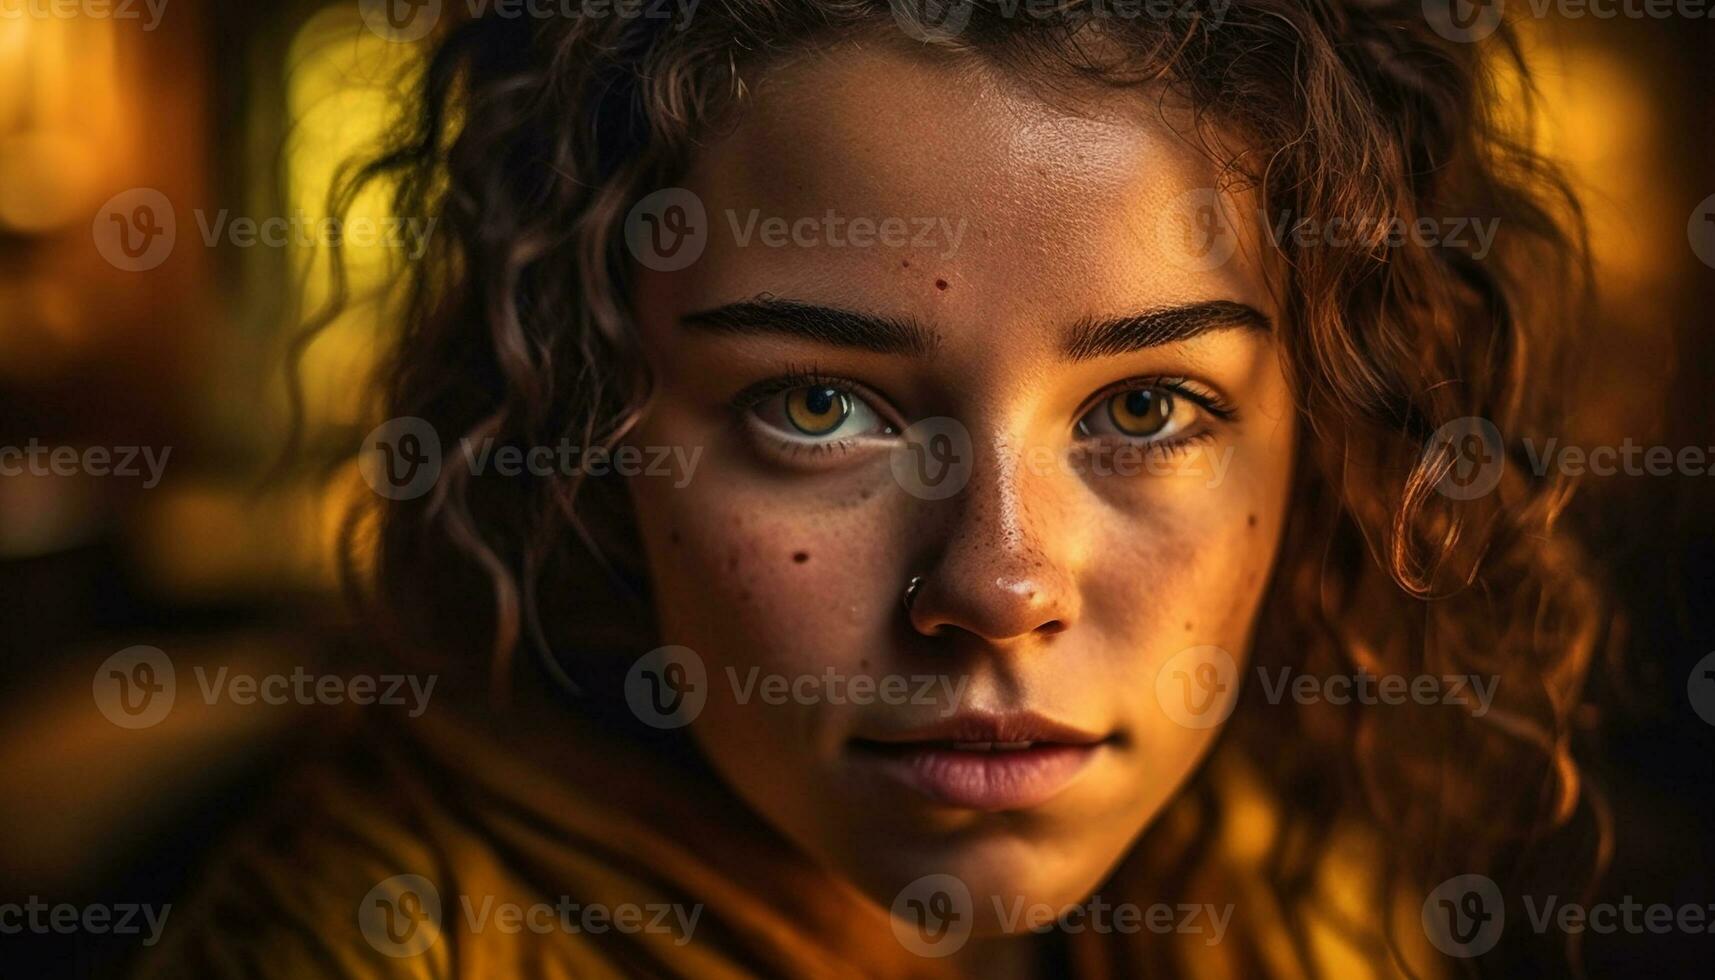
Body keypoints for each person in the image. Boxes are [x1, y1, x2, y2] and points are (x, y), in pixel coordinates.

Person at [139, 2, 1607, 976]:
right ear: (588, 425)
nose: (997, 586)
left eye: (1147, 407)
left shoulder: (1293, 904)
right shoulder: (355, 942)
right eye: (819, 406)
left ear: (1330, 439)